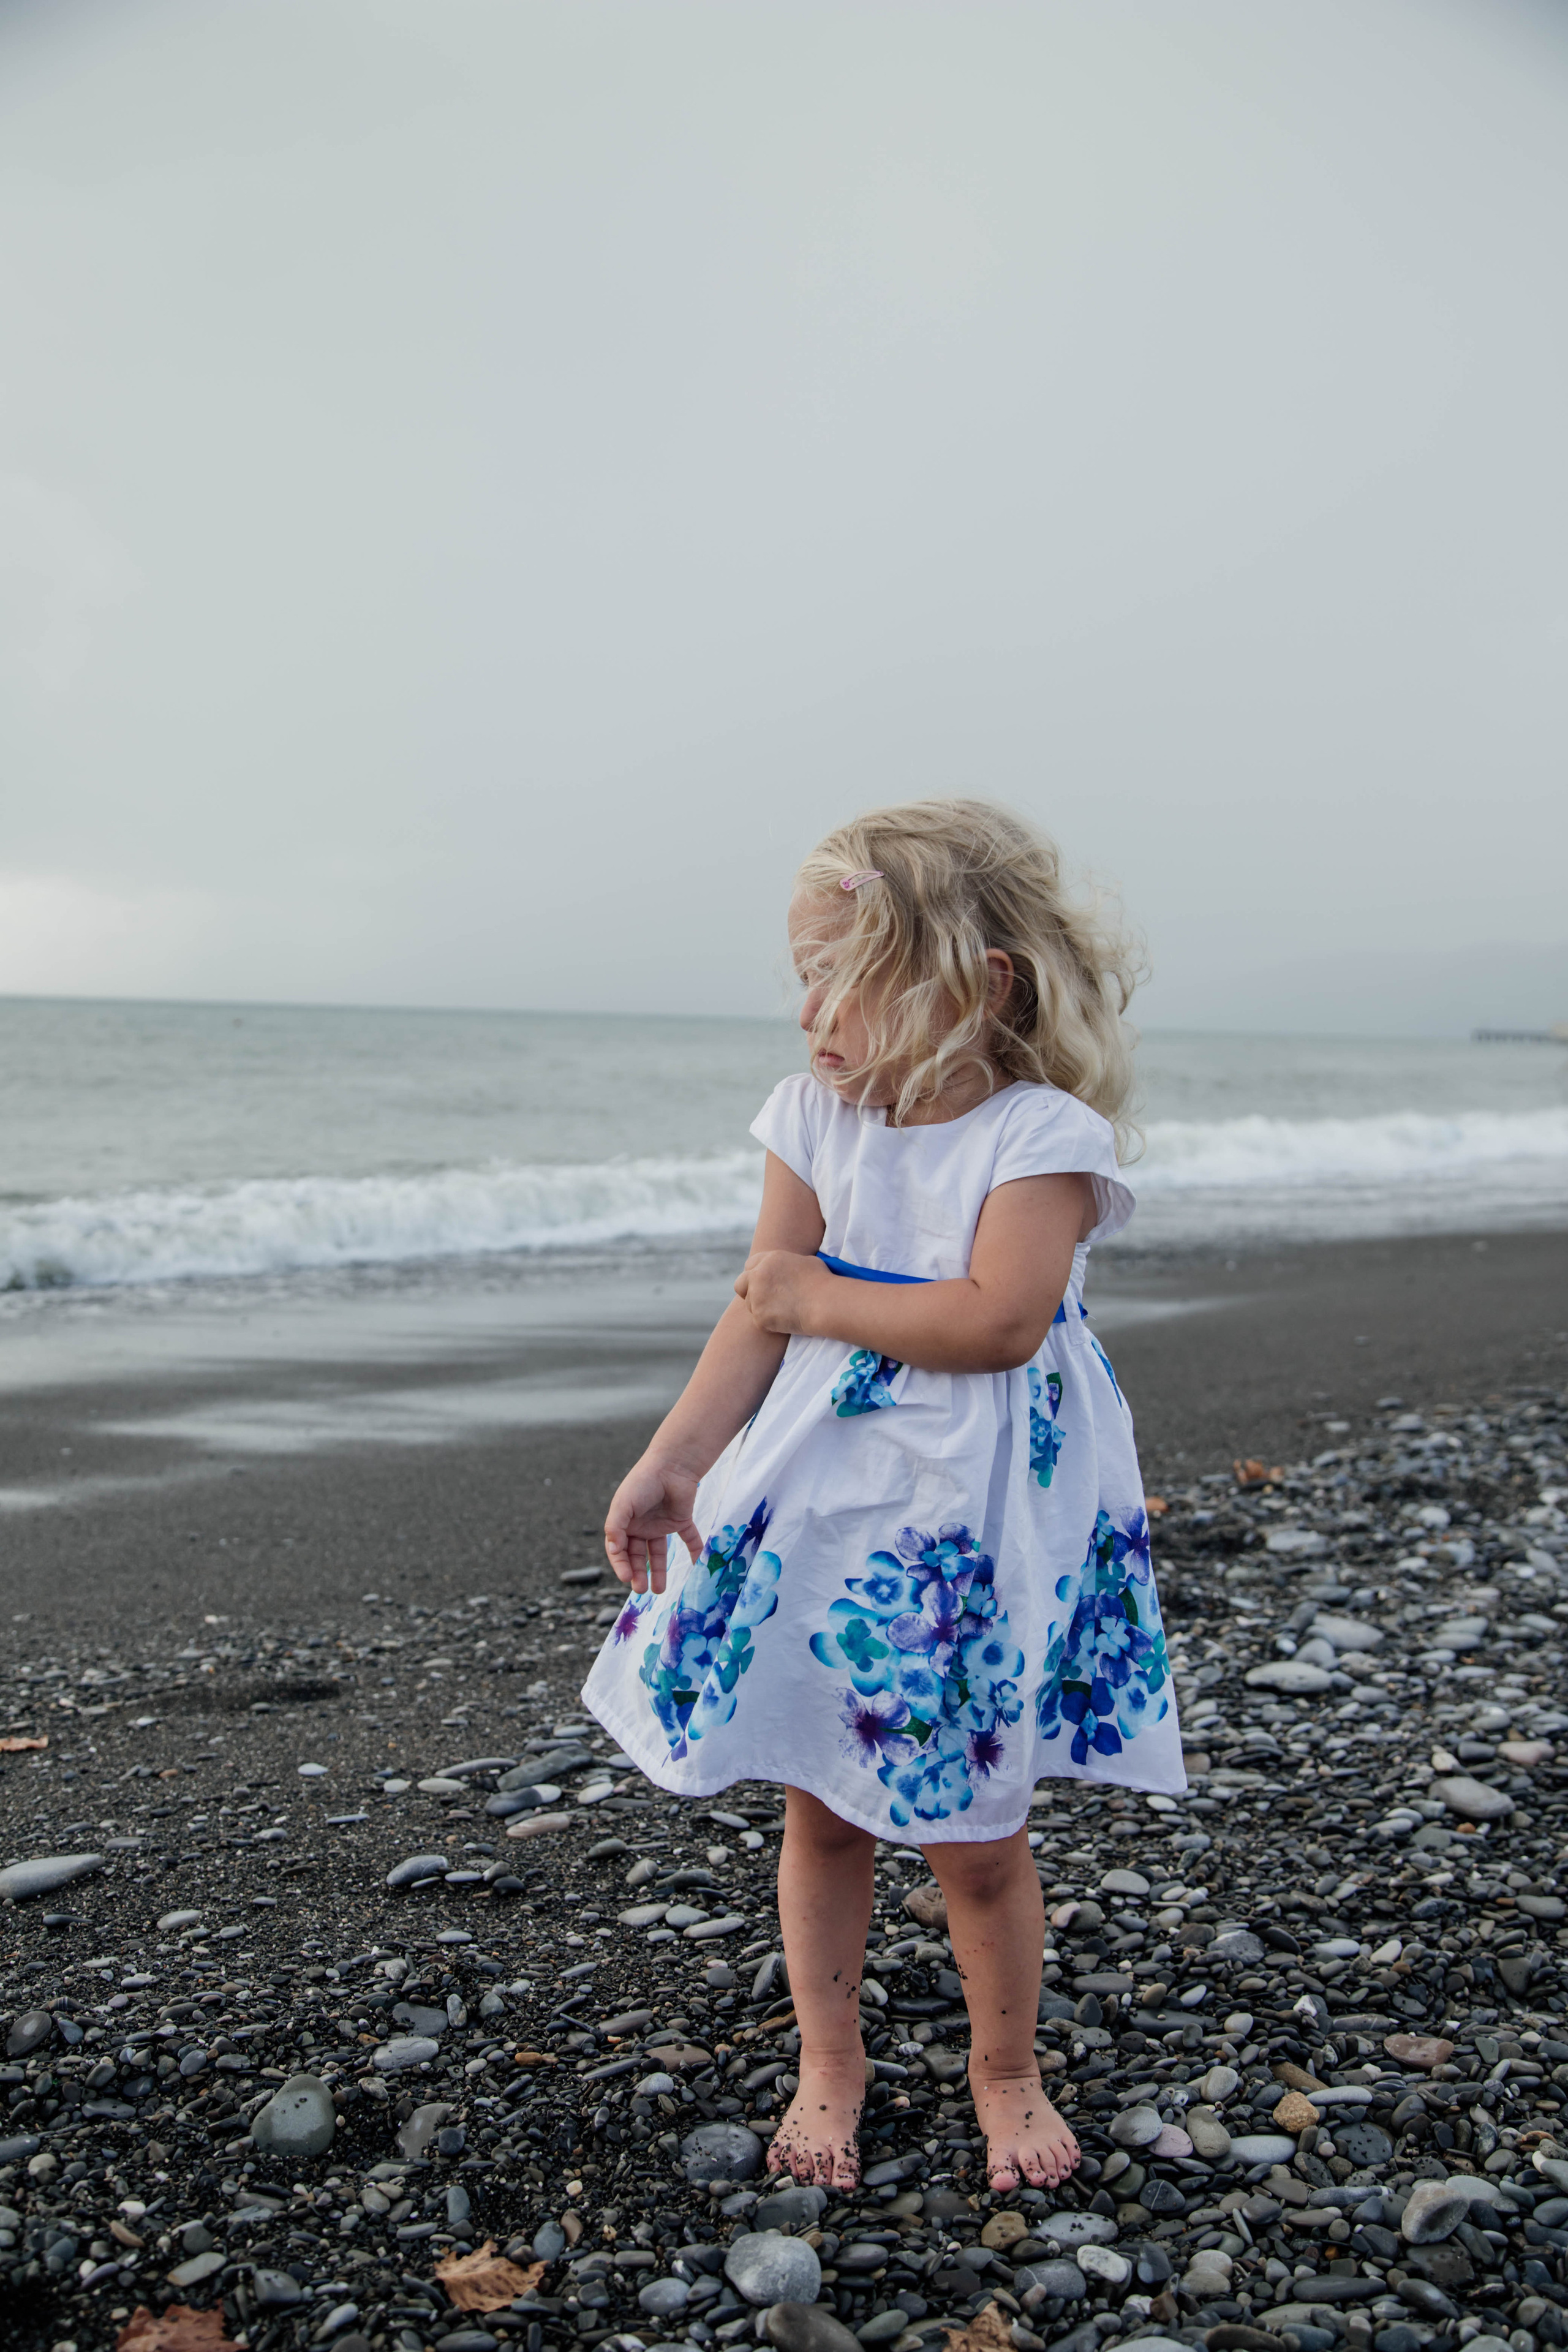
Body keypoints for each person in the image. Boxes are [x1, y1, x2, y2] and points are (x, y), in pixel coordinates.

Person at [584, 797, 1183, 2195]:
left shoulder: (1040, 1133)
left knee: (975, 1833)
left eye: (840, 981)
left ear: (968, 987)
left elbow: (996, 1321)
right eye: (801, 978)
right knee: (823, 1801)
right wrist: (672, 1458)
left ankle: (1003, 2070)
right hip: (825, 1505)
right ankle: (829, 2057)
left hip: (970, 1529)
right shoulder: (811, 1117)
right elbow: (755, 1310)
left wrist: (815, 1295)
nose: (809, 1016)